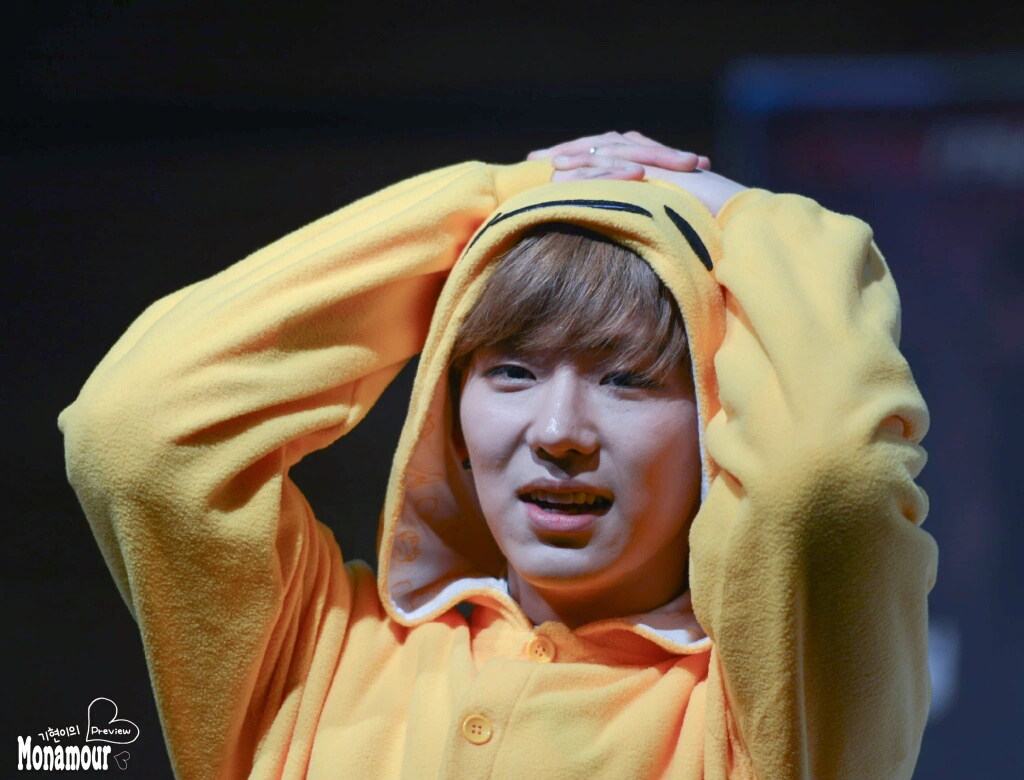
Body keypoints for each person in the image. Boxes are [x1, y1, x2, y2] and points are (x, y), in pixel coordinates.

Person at [59, 131, 938, 779]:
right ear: (450, 416)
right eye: (511, 372)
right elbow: (139, 428)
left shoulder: (765, 715)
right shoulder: (321, 659)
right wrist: (497, 199)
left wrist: (742, 216)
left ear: (716, 422)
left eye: (627, 380)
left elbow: (830, 479)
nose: (559, 430)